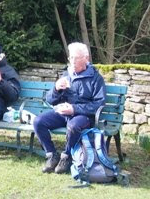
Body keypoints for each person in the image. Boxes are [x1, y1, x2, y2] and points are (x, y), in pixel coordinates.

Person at [33, 42, 106, 174]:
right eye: (71, 57)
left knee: (73, 126)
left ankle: (66, 157)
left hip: (83, 116)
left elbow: (98, 104)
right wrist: (56, 89)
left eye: (76, 58)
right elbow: (50, 100)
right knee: (38, 121)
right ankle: (51, 155)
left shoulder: (96, 78)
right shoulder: (66, 75)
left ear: (86, 58)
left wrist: (74, 109)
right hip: (64, 113)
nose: (72, 61)